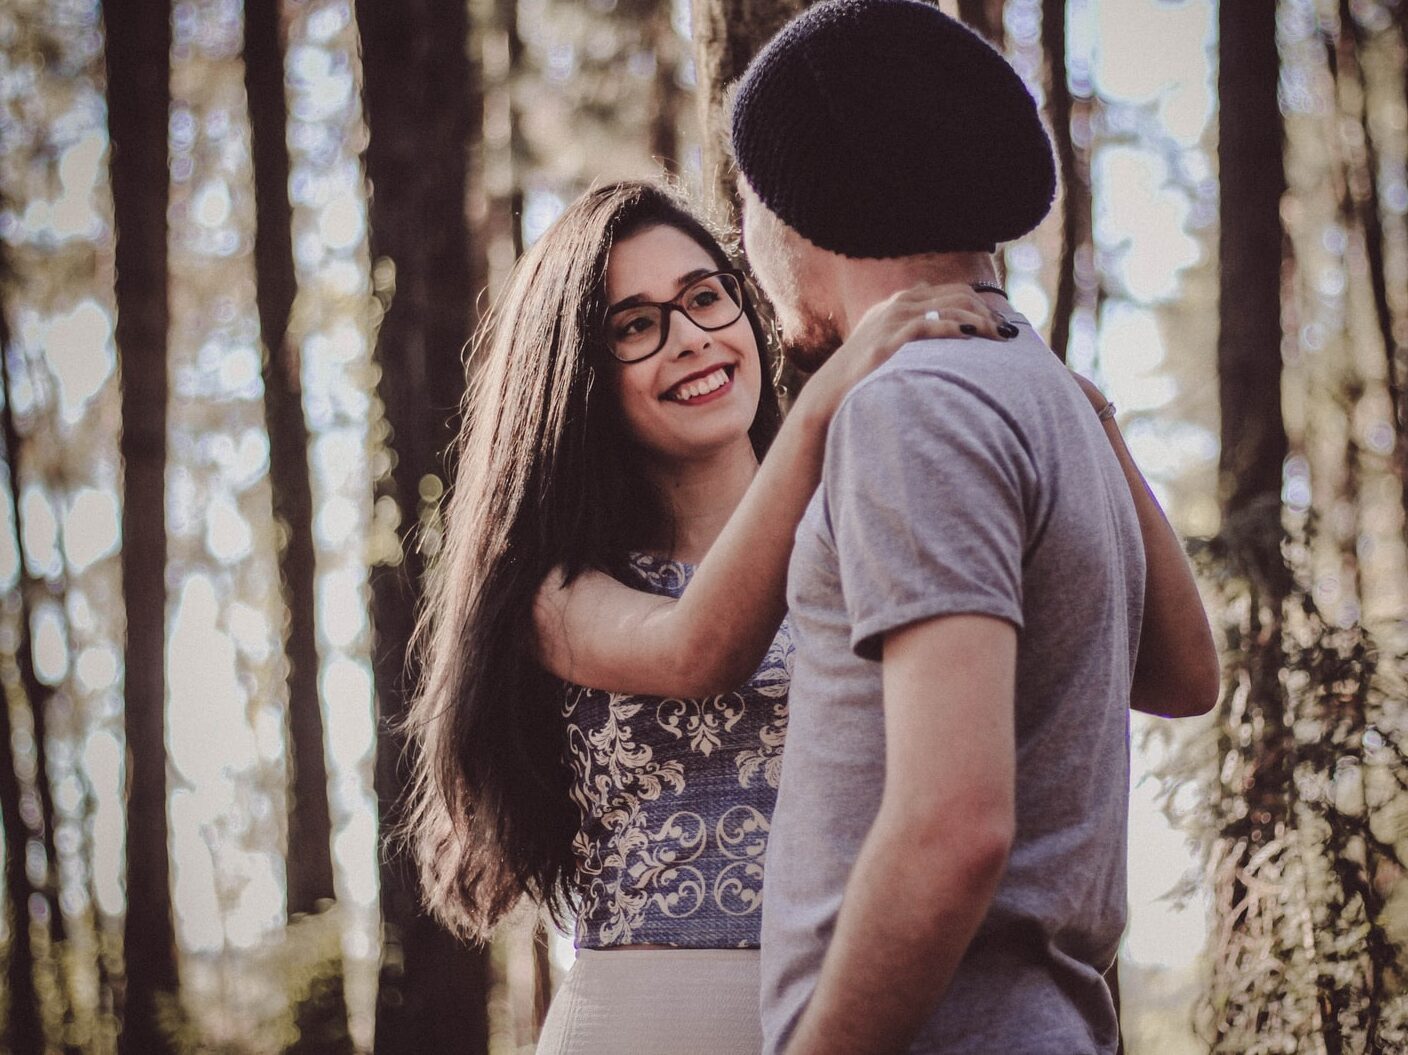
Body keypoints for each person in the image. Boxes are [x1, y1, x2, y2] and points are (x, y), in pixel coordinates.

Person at [401, 179, 1012, 1054]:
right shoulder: (556, 593)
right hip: (647, 1024)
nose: (691, 338)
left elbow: (1170, 675)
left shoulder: (861, 530)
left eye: (704, 296)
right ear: (580, 376)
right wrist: (822, 404)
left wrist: (1076, 408)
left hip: (863, 1015)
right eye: (636, 325)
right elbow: (698, 649)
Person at [727, 2, 1220, 1053]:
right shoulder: (1054, 398)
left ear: (807, 202)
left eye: (748, 198)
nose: (743, 237)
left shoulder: (917, 404)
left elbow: (953, 829)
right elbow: (1186, 675)